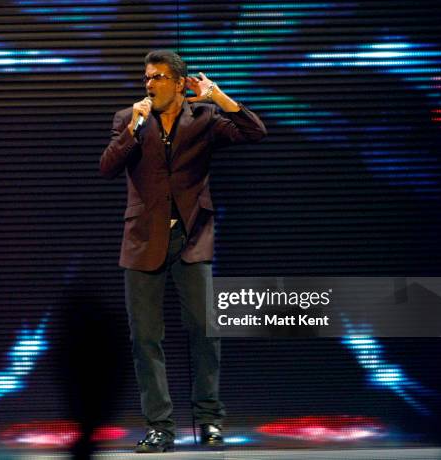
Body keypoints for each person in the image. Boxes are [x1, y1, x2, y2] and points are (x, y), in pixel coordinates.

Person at [100, 50, 267, 453]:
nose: (149, 84)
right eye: (146, 78)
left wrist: (219, 96)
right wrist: (133, 129)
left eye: (157, 77)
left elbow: (255, 132)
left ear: (178, 82)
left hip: (192, 239)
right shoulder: (129, 119)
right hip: (143, 240)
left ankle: (209, 421)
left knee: (206, 333)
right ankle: (160, 426)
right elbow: (106, 167)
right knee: (145, 339)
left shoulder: (204, 118)